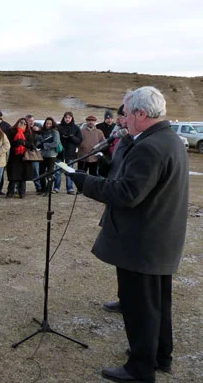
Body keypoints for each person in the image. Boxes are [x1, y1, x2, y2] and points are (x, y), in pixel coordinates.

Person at [67, 87, 187, 382]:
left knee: (140, 308)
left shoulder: (150, 146)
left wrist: (84, 181)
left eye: (127, 111)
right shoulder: (168, 139)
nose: (123, 118)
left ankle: (140, 368)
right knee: (157, 303)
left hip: (142, 241)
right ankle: (161, 356)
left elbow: (127, 193)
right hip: (158, 237)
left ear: (141, 114)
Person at [101, 104, 133, 314]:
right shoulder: (120, 138)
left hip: (127, 205)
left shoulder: (138, 144)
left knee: (129, 256)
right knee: (121, 257)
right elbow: (115, 166)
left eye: (123, 116)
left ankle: (130, 300)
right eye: (121, 116)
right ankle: (124, 298)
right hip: (115, 200)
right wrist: (104, 162)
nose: (120, 120)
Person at [5, 118, 36, 198]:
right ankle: (10, 192)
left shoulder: (28, 133)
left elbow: (32, 145)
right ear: (17, 122)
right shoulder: (11, 131)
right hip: (14, 156)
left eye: (25, 123)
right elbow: (8, 143)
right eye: (21, 122)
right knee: (13, 176)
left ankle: (22, 192)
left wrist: (24, 143)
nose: (23, 124)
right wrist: (16, 143)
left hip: (24, 157)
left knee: (23, 177)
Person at [54, 111, 83, 194]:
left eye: (69, 117)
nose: (67, 119)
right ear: (63, 118)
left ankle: (70, 188)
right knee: (57, 171)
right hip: (60, 152)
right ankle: (56, 188)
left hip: (70, 153)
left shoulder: (76, 128)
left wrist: (72, 137)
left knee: (69, 171)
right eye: (66, 117)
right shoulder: (59, 127)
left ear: (71, 118)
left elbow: (79, 140)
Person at [36, 117, 61, 194]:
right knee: (41, 172)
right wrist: (39, 145)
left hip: (51, 155)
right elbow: (39, 141)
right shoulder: (43, 132)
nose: (48, 125)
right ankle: (43, 189)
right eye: (47, 123)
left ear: (52, 124)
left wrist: (45, 145)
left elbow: (56, 143)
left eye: (50, 123)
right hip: (43, 155)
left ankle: (48, 189)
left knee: (50, 173)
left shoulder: (55, 132)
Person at [26, 114, 43, 193]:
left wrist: (38, 131)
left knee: (35, 170)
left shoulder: (37, 128)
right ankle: (18, 188)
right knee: (23, 170)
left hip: (34, 152)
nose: (32, 122)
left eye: (33, 121)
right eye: (30, 121)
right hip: (25, 151)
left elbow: (43, 135)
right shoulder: (24, 129)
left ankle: (38, 187)